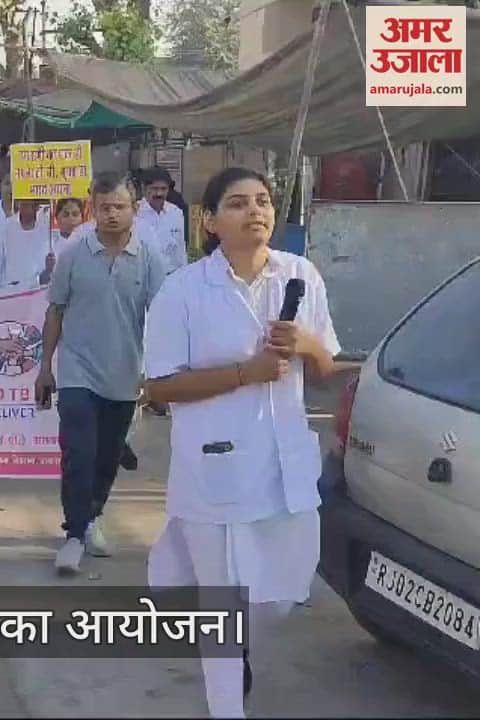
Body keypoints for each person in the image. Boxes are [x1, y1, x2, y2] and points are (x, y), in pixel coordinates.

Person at [142, 167, 339, 719]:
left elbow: (327, 369)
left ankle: (224, 629)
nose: (255, 211)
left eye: (262, 201)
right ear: (209, 221)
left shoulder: (300, 276)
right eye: (236, 203)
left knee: (281, 594)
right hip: (216, 469)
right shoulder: (183, 291)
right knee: (222, 606)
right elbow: (158, 386)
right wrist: (243, 373)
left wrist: (307, 344)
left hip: (284, 466)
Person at [33, 171, 170, 575]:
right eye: (105, 207)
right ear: (93, 208)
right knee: (79, 451)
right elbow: (55, 310)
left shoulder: (150, 258)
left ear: (134, 209)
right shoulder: (74, 254)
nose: (112, 214)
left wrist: (158, 375)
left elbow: (161, 319)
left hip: (125, 374)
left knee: (107, 457)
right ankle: (74, 534)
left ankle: (92, 516)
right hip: (77, 370)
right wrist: (45, 366)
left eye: (120, 207)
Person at [0, 199, 53, 293]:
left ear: (37, 206)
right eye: (24, 204)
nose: (27, 208)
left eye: (31, 205)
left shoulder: (48, 226)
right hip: (13, 291)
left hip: (41, 289)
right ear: (17, 203)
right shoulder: (5, 226)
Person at [136, 166, 189, 274]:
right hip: (144, 276)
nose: (159, 194)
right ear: (144, 188)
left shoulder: (176, 212)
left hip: (172, 276)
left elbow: (180, 249)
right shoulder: (135, 213)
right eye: (154, 189)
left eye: (163, 189)